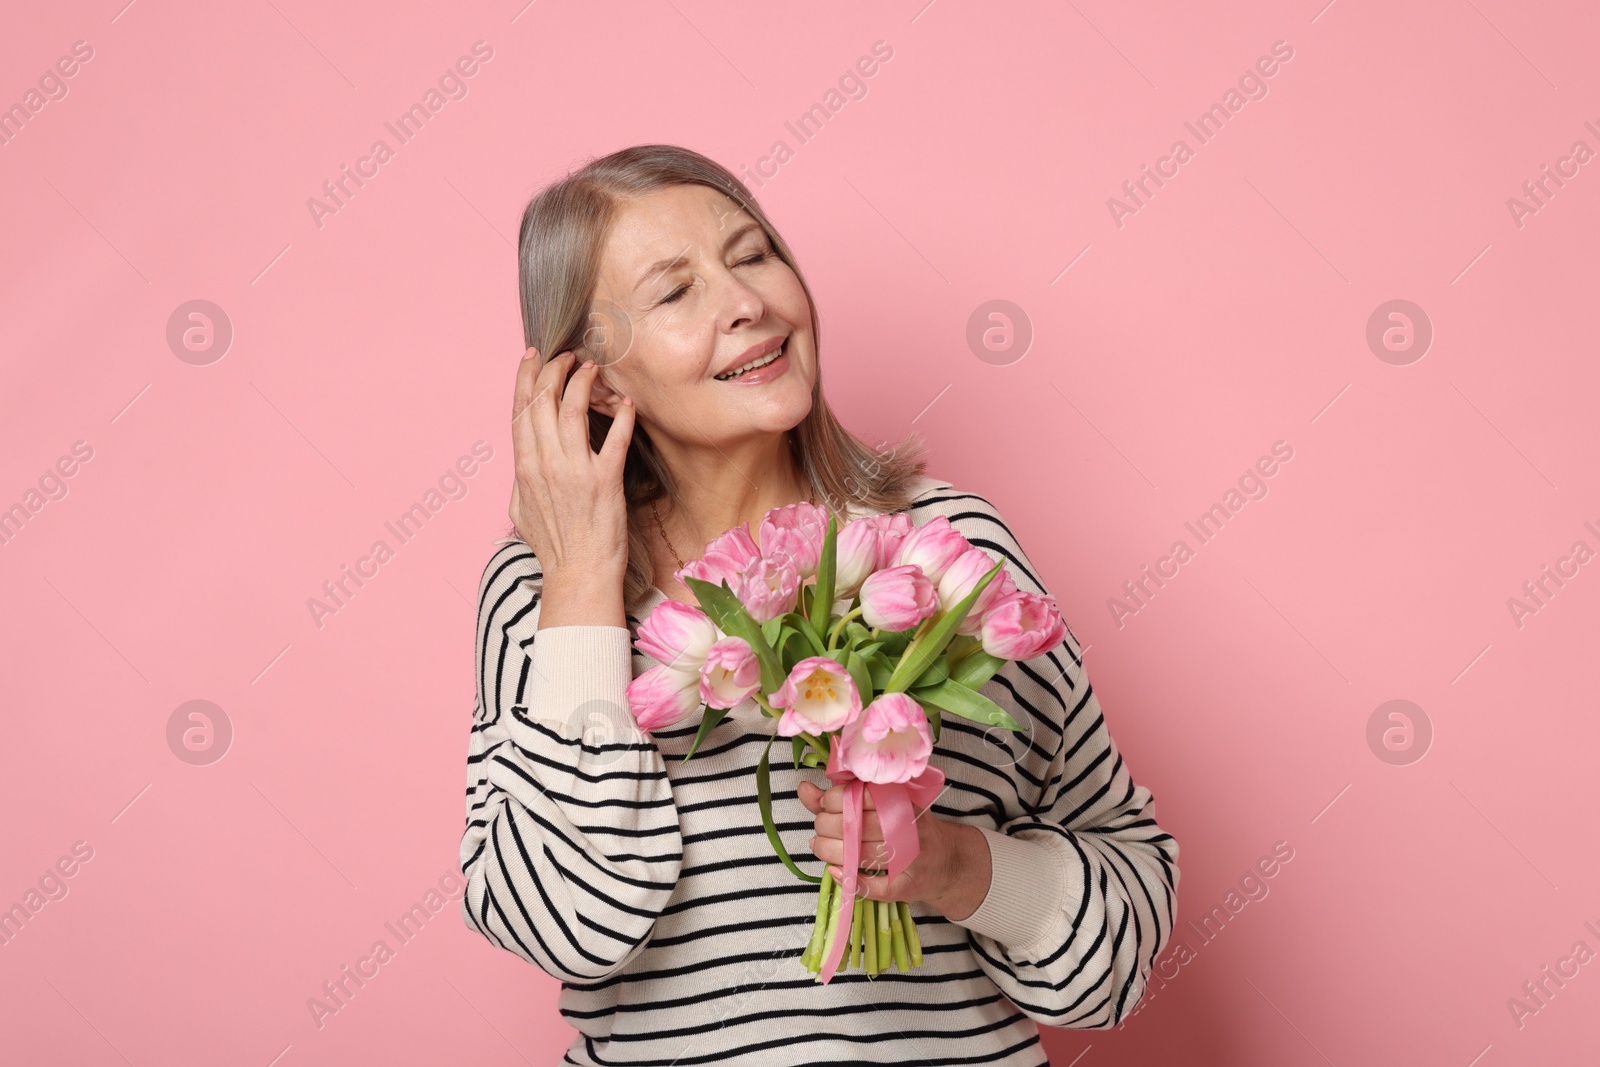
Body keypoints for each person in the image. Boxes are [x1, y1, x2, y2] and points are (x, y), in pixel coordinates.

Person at [459, 144, 1180, 1065]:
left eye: (753, 253)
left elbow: (1123, 940)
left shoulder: (944, 555)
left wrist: (959, 868)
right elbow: (564, 924)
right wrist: (582, 583)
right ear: (595, 380)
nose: (747, 301)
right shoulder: (541, 595)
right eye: (676, 292)